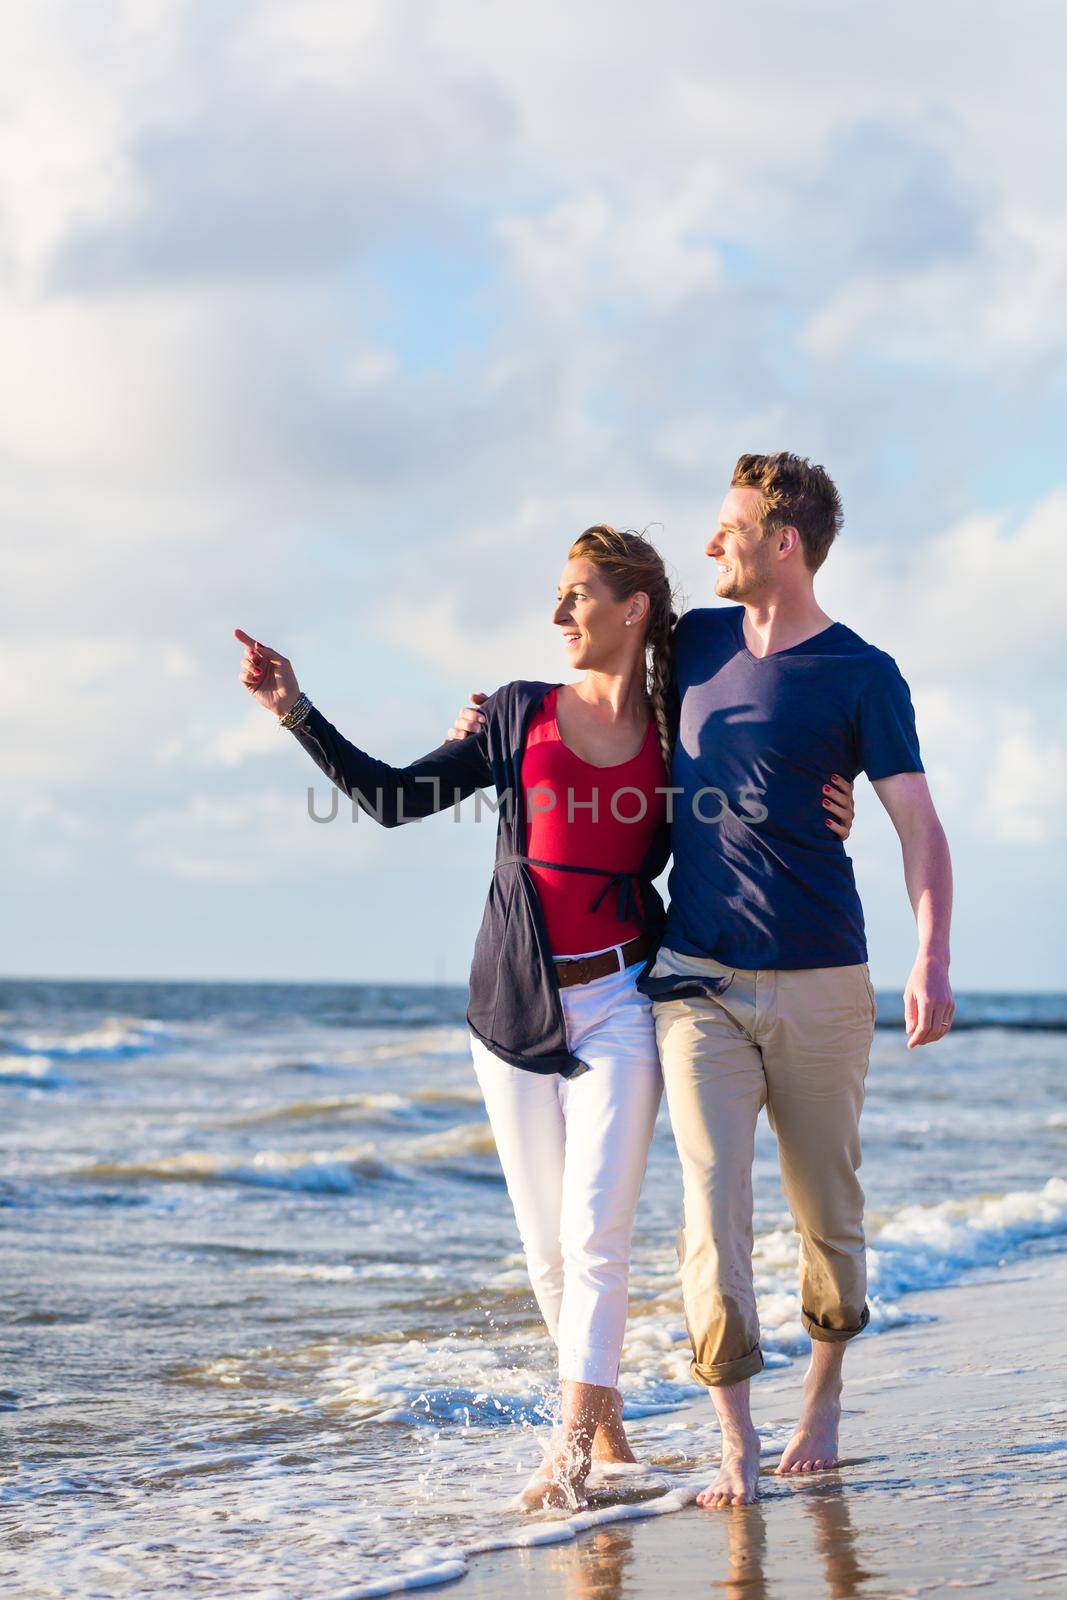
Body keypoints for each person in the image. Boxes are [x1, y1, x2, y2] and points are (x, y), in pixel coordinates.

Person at [235, 521, 856, 1512]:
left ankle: (568, 1453)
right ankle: (607, 1436)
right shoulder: (515, 714)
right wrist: (295, 709)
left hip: (620, 1000)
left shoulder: (675, 736)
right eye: (559, 596)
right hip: (515, 1007)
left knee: (595, 1235)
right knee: (547, 1253)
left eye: (575, 594)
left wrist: (834, 806)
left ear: (632, 608)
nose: (557, 613)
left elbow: (753, 807)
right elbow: (394, 800)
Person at [446, 452, 954, 1510]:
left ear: (783, 543)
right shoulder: (694, 642)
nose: (710, 542)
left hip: (821, 974)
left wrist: (930, 954)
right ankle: (731, 1439)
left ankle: (819, 1397)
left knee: (827, 1213)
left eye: (728, 527)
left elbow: (917, 822)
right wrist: (489, 723)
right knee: (706, 1209)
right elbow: (600, 676)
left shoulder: (864, 674)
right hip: (694, 977)